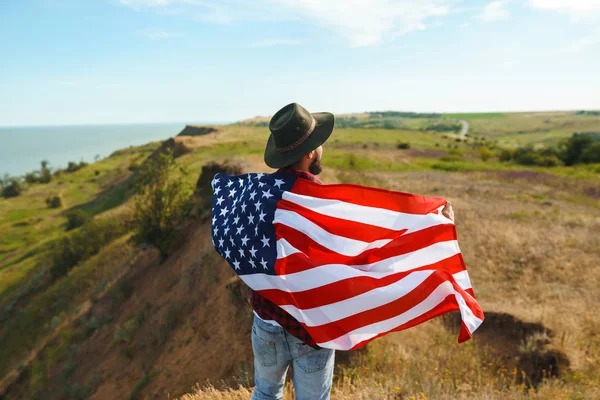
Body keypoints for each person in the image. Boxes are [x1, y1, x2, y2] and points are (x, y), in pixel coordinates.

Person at [249, 103, 454, 400]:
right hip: (309, 330)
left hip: (265, 319)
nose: (322, 148)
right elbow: (365, 250)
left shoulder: (260, 196)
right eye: (318, 144)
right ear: (308, 153)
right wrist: (434, 227)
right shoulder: (319, 203)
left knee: (265, 393)